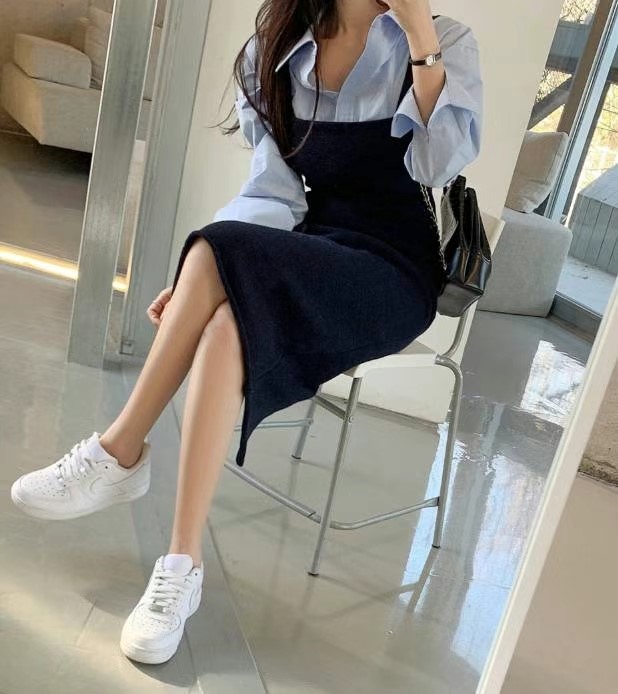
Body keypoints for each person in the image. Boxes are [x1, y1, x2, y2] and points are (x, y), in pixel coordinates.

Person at [10, 0, 482, 665]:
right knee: (225, 317)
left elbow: (438, 165)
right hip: (314, 247)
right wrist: (211, 276)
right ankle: (182, 564)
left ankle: (119, 453)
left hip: (394, 273)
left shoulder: (444, 41)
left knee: (215, 255)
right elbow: (273, 192)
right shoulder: (279, 46)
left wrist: (420, 39)